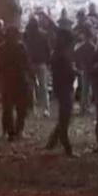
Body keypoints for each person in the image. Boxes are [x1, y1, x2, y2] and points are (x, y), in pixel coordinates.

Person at [45, 28, 76, 157]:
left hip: (61, 88)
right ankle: (67, 147)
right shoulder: (62, 55)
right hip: (64, 88)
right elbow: (67, 73)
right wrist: (74, 72)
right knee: (65, 118)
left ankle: (52, 142)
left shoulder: (57, 54)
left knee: (65, 117)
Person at [0, 26, 31, 141]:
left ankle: (8, 131)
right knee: (20, 108)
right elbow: (26, 63)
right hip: (20, 79)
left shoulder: (0, 48)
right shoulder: (21, 47)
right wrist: (30, 75)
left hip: (7, 80)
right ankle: (19, 130)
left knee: (7, 108)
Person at [25, 14, 51, 116]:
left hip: (30, 63)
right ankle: (46, 108)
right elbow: (47, 49)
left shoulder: (26, 35)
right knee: (43, 87)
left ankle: (31, 107)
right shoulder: (43, 34)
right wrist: (48, 61)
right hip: (41, 62)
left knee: (30, 87)